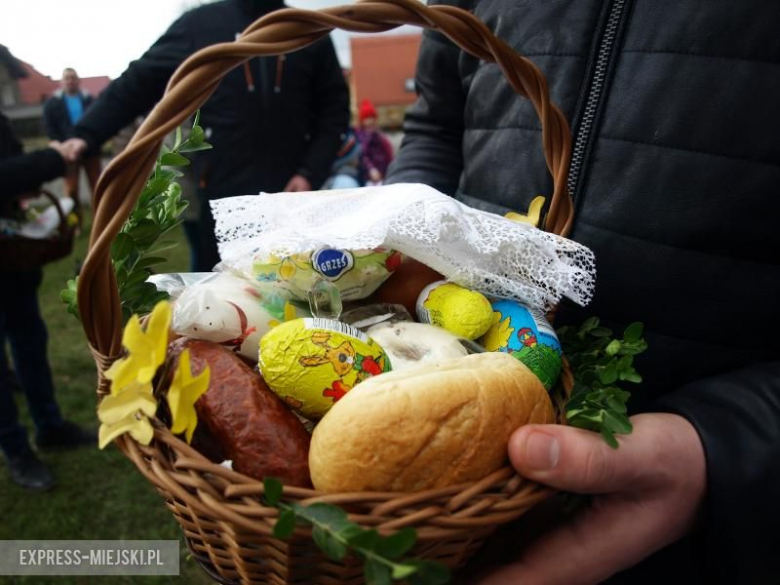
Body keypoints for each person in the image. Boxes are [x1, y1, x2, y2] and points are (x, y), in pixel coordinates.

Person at [386, 2, 780, 584]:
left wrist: (730, 445)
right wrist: (392, 244)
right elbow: (437, 124)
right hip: (448, 499)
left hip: (711, 527)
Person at [64, 0, 350, 271]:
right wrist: (87, 133)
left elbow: (334, 112)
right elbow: (139, 80)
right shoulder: (200, 27)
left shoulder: (308, 30)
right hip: (221, 201)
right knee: (220, 298)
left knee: (297, 288)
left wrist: (310, 172)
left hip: (292, 197)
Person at [1, 111, 96, 492]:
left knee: (30, 338)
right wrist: (53, 159)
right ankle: (16, 450)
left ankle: (50, 426)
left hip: (10, 251)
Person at [42, 67, 101, 205]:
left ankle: (101, 220)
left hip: (91, 149)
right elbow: (49, 126)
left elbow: (98, 121)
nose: (70, 81)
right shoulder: (52, 103)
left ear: (78, 81)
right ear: (61, 82)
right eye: (67, 78)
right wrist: (58, 143)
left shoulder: (89, 100)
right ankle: (74, 224)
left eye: (73, 78)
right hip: (67, 152)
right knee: (71, 190)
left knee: (97, 186)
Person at [355, 99, 394, 185]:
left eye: (372, 118)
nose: (370, 121)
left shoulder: (380, 138)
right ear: (362, 123)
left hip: (383, 176)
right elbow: (363, 156)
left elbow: (389, 156)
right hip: (366, 179)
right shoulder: (360, 139)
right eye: (368, 125)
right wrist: (371, 169)